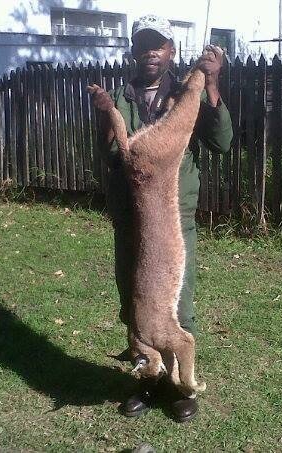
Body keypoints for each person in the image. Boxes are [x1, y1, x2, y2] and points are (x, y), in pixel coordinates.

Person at [88, 14, 233, 422]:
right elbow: (113, 157)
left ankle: (179, 388)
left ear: (170, 50)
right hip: (129, 219)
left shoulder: (186, 92)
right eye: (143, 44)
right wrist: (105, 117)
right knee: (134, 305)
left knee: (177, 307)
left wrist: (213, 85)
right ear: (133, 50)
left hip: (173, 217)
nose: (150, 52)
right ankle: (147, 381)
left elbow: (222, 142)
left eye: (159, 44)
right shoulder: (122, 95)